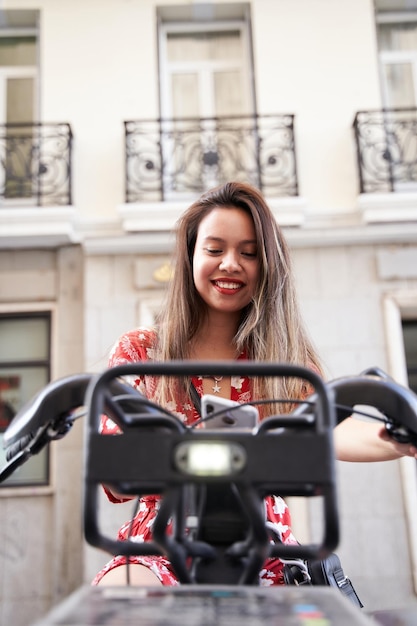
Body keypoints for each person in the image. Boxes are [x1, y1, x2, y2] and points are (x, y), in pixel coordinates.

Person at [93, 181, 417, 587]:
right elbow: (115, 470)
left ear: (267, 265)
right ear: (191, 254)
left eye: (249, 253)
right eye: (214, 250)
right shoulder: (141, 351)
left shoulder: (286, 361)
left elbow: (328, 430)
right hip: (160, 546)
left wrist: (403, 439)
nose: (230, 263)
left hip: (266, 548)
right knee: (120, 601)